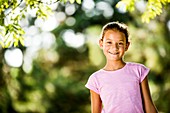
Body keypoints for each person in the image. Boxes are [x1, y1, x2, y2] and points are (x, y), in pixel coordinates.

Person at [85, 22, 158, 113]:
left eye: (120, 43)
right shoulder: (95, 79)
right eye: (109, 42)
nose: (114, 48)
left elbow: (149, 105)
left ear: (127, 46)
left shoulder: (138, 71)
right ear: (101, 43)